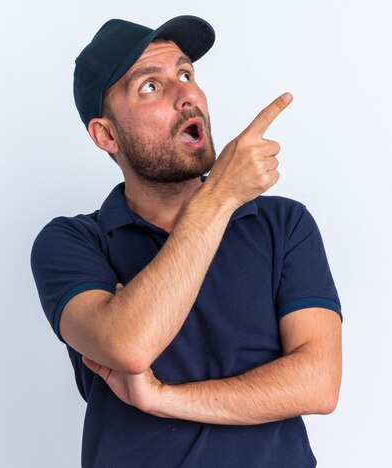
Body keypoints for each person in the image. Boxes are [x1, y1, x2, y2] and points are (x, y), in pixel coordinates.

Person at [31, 15, 342, 468]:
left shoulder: (283, 224)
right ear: (106, 134)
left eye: (185, 74)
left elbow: (318, 383)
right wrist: (218, 197)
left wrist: (160, 398)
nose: (187, 96)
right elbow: (130, 344)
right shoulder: (73, 242)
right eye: (150, 87)